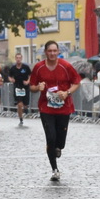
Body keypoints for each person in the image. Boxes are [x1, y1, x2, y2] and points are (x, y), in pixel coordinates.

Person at [30, 40, 80, 181]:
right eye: (49, 51)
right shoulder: (39, 67)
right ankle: (55, 169)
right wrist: (37, 87)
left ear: (58, 52)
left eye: (54, 51)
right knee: (50, 138)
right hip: (46, 108)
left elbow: (76, 82)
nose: (52, 53)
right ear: (45, 52)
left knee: (60, 142)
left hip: (64, 108)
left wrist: (67, 93)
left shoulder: (66, 66)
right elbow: (32, 86)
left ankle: (58, 148)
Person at [5, 53, 33, 126]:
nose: (18, 59)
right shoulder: (13, 68)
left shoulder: (25, 67)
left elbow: (31, 75)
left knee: (25, 104)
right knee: (19, 104)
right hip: (17, 87)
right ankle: (21, 119)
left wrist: (27, 81)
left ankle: (26, 107)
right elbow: (9, 76)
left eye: (19, 58)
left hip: (25, 87)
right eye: (17, 58)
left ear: (21, 58)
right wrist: (11, 80)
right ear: (15, 59)